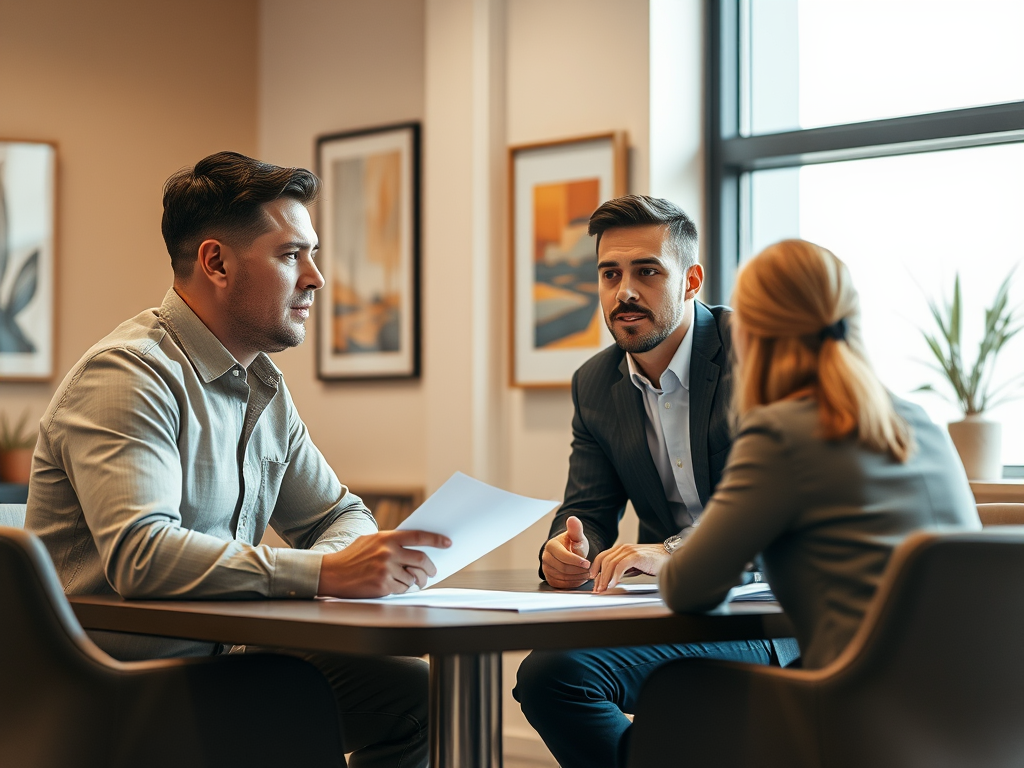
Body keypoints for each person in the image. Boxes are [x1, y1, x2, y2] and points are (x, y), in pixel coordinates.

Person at [27, 151, 448, 768]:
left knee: (412, 693)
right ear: (216, 263)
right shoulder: (127, 375)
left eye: (314, 254)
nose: (316, 279)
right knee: (299, 695)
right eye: (290, 255)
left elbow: (339, 512)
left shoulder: (261, 387)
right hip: (108, 685)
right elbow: (140, 555)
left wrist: (342, 559)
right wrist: (327, 575)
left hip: (222, 663)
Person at [513, 195, 794, 768]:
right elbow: (586, 509)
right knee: (549, 675)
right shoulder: (595, 384)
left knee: (561, 676)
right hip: (671, 611)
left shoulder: (758, 355)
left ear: (691, 279)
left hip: (775, 611)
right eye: (610, 274)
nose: (625, 292)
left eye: (647, 271)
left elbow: (779, 514)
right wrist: (565, 550)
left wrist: (674, 552)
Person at [659, 238, 980, 672]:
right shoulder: (920, 422)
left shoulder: (781, 432)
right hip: (979, 712)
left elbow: (687, 589)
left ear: (749, 332)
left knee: (674, 695)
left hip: (858, 708)